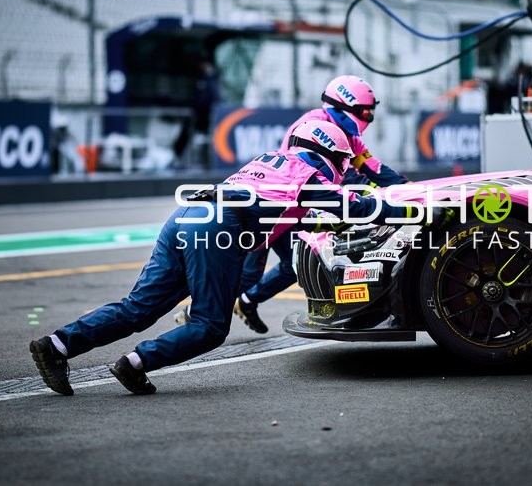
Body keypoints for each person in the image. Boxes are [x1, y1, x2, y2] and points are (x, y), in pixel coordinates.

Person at [29, 120, 422, 396]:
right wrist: (415, 208)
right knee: (210, 326)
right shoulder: (309, 175)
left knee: (138, 308)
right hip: (217, 228)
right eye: (343, 162)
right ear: (329, 154)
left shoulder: (272, 160)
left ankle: (57, 346)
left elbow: (293, 212)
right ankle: (134, 364)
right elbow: (357, 205)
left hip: (186, 215)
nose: (344, 169)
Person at [175, 75, 409, 334]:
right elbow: (347, 178)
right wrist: (382, 195)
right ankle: (196, 311)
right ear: (345, 105)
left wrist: (407, 187)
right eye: (365, 112)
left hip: (292, 210)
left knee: (291, 266)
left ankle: (247, 301)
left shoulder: (349, 137)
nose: (369, 117)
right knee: (250, 273)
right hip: (269, 208)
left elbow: (373, 167)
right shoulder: (314, 126)